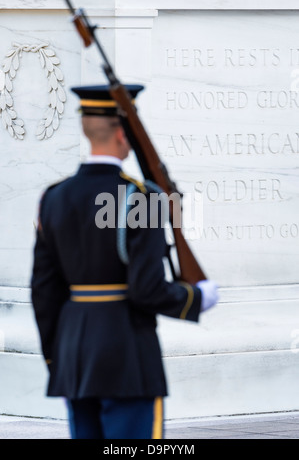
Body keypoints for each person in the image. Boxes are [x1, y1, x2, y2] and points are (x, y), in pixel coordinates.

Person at [31, 84, 219, 440]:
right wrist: (196, 298)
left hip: (73, 356)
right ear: (124, 133)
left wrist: (56, 357)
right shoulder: (141, 197)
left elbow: (43, 290)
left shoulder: (52, 198)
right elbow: (146, 290)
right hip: (126, 353)